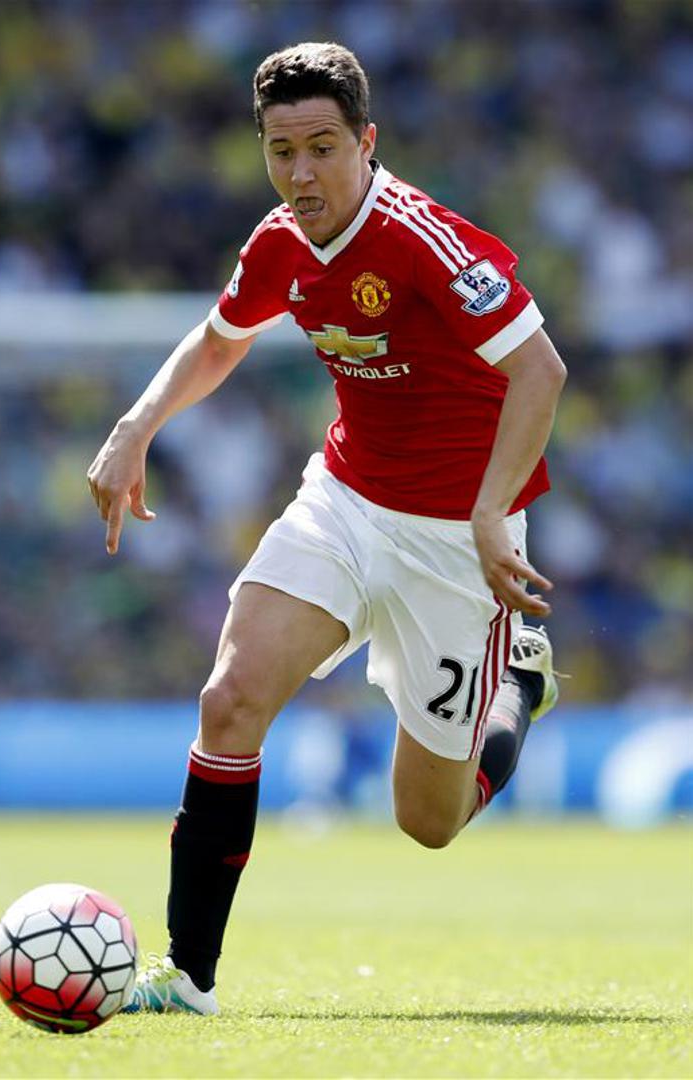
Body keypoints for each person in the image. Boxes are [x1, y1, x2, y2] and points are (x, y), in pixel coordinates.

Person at [87, 42, 567, 1016]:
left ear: (365, 142)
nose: (300, 174)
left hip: (455, 539)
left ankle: (517, 681)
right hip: (344, 503)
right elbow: (220, 338)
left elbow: (540, 370)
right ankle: (188, 976)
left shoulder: (424, 239)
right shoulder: (279, 242)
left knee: (426, 821)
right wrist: (137, 427)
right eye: (281, 152)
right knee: (229, 700)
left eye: (321, 149)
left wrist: (489, 512)